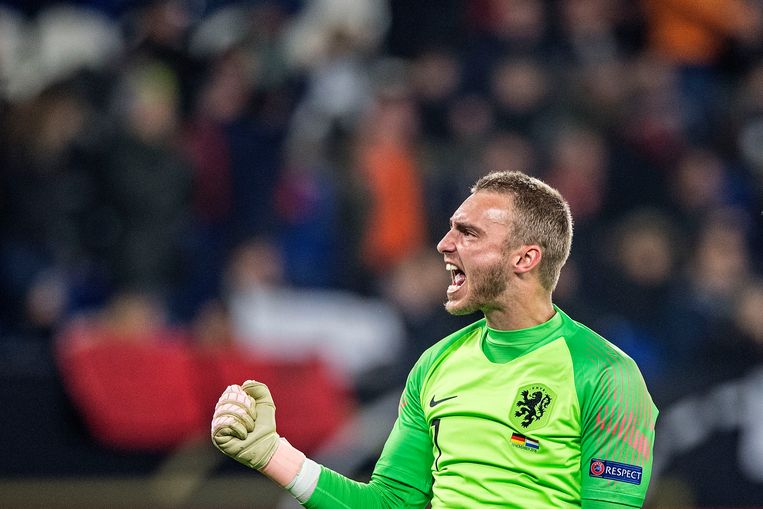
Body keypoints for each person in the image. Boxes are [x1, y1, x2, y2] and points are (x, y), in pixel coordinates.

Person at [211, 170, 659, 508]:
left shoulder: (607, 375)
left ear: (524, 258)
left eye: (469, 233)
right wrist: (272, 453)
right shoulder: (435, 364)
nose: (444, 244)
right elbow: (388, 503)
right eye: (451, 229)